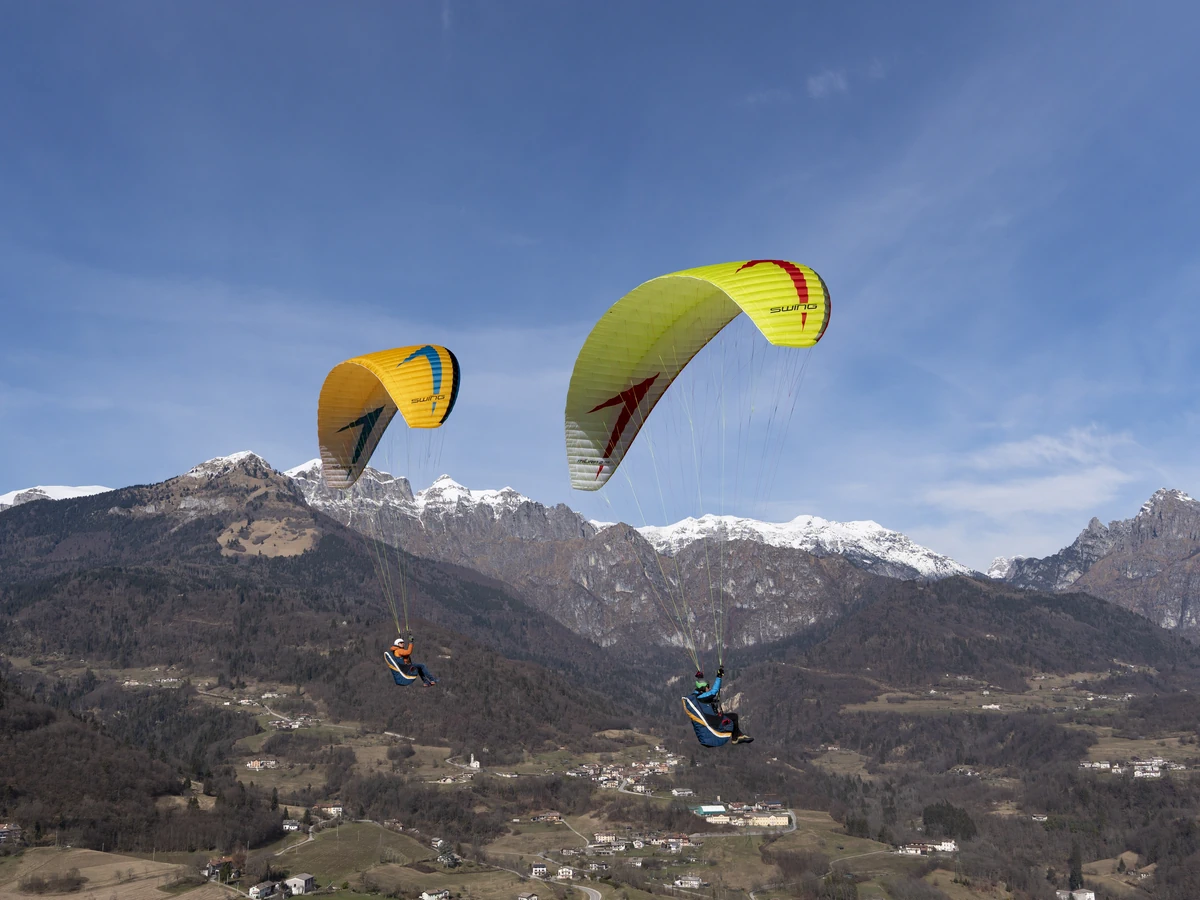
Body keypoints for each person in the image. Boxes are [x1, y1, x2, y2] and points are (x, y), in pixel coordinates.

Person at [690, 667, 752, 744]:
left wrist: (700, 678)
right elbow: (713, 692)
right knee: (734, 717)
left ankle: (737, 736)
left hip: (712, 719)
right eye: (707, 687)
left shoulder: (698, 696)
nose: (709, 688)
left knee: (733, 717)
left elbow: (706, 695)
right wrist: (719, 677)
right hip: (713, 722)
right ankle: (736, 738)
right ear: (702, 688)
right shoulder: (701, 697)